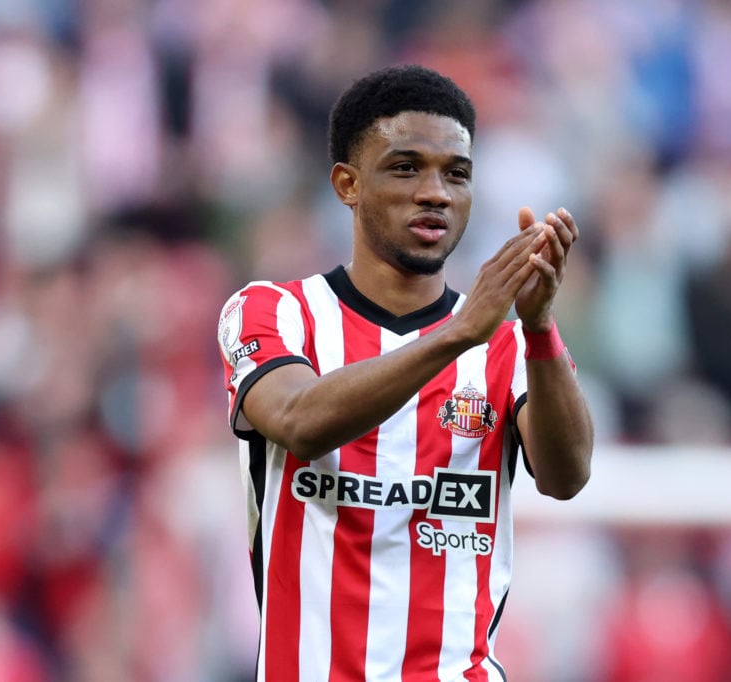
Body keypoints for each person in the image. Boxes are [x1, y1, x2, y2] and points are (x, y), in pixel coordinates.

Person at [217, 64, 594, 681]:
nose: (435, 193)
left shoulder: (504, 345)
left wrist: (541, 326)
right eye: (405, 167)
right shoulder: (274, 311)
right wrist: (458, 334)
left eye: (457, 174)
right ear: (347, 184)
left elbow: (567, 476)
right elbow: (298, 421)